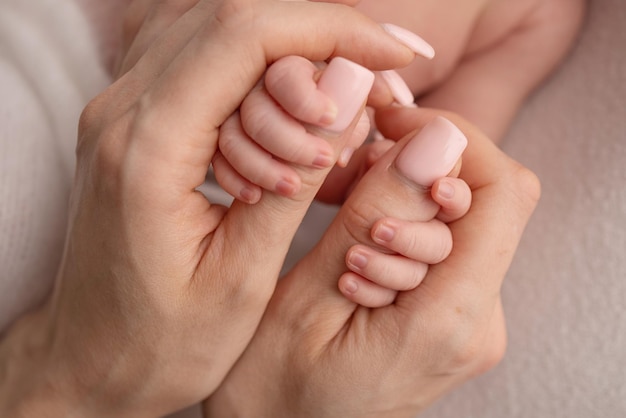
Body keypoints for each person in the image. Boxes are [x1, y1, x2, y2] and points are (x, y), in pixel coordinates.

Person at [0, 1, 539, 418]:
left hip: (289, 239)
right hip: (154, 142)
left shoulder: (536, 13)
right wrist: (258, 103)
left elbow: (455, 161)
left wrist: (405, 219)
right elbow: (176, 33)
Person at [214, 55, 472, 307]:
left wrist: (366, 184)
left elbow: (459, 169)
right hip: (216, 179)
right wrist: (271, 85)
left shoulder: (504, 35)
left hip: (297, 212)